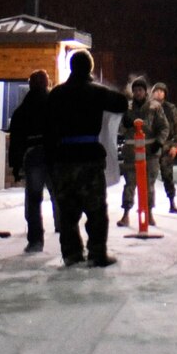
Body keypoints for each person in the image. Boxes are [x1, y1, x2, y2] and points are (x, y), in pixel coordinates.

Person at [43, 50, 129, 267]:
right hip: (89, 158)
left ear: (71, 67)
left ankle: (71, 254)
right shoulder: (96, 92)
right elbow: (121, 103)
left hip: (63, 159)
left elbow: (48, 129)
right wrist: (98, 86)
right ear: (89, 68)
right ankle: (97, 253)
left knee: (67, 211)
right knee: (96, 210)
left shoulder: (57, 94)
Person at [7, 69, 59, 254]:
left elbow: (16, 139)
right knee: (57, 194)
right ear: (47, 83)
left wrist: (15, 165)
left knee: (34, 198)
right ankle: (62, 227)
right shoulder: (55, 104)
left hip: (32, 154)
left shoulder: (23, 109)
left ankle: (36, 240)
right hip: (53, 154)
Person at [117, 76, 169, 229]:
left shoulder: (154, 107)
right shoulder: (127, 108)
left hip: (150, 152)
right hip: (131, 153)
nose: (138, 93)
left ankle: (149, 213)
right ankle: (126, 214)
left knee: (149, 185)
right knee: (130, 184)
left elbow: (164, 127)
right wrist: (125, 125)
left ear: (145, 91)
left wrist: (159, 142)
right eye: (135, 90)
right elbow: (119, 129)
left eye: (140, 90)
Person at [151, 83, 177, 214]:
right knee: (150, 178)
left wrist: (175, 145)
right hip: (151, 147)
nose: (159, 93)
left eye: (161, 91)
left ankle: (172, 202)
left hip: (166, 147)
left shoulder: (171, 108)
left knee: (167, 176)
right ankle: (149, 207)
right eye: (156, 91)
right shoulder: (148, 108)